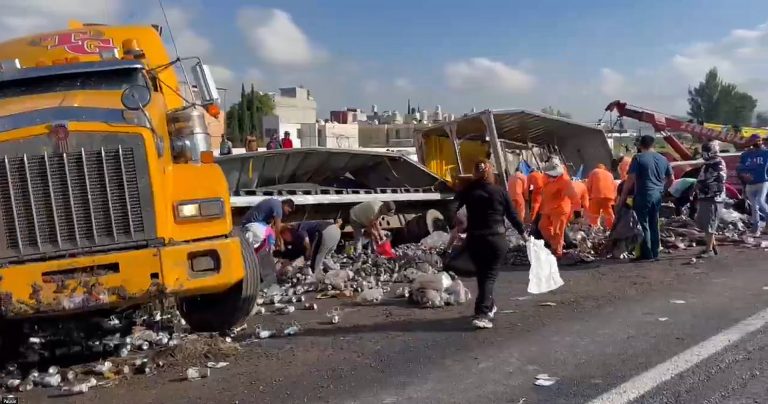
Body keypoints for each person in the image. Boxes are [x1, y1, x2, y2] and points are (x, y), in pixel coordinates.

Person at [455, 159, 527, 329]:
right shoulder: (500, 191)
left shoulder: (468, 191)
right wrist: (523, 234)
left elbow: (453, 208)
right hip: (496, 239)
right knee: (489, 276)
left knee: (483, 275)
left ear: (475, 173)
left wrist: (458, 226)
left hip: (475, 239)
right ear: (490, 172)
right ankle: (482, 313)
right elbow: (512, 215)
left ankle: (488, 306)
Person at [618, 135, 674, 261]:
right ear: (653, 145)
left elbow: (630, 179)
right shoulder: (663, 159)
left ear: (640, 146)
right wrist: (662, 191)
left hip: (643, 194)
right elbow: (671, 179)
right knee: (654, 223)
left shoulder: (638, 158)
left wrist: (623, 197)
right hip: (657, 196)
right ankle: (655, 252)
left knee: (643, 224)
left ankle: (646, 254)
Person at [538, 157, 578, 257]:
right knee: (542, 226)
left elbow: (573, 196)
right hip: (547, 208)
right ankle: (556, 244)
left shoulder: (565, 180)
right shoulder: (545, 176)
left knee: (557, 231)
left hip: (560, 209)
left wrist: (576, 212)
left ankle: (557, 252)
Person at [694, 141, 726, 258]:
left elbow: (712, 181)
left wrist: (700, 186)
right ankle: (712, 246)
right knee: (704, 222)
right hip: (705, 196)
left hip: (713, 197)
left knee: (709, 224)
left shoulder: (717, 164)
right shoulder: (708, 163)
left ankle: (709, 250)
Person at [736, 134, 768, 236]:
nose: (757, 143)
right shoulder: (745, 155)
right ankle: (755, 229)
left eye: (759, 141)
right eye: (754, 141)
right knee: (754, 206)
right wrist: (744, 175)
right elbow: (739, 168)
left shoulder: (766, 153)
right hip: (750, 183)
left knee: (760, 201)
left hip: (762, 181)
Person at [586, 163, 617, 229]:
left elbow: (588, 186)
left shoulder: (594, 172)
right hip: (609, 197)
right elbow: (614, 187)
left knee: (594, 216)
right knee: (609, 216)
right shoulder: (610, 175)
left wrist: (588, 197)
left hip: (596, 196)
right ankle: (613, 229)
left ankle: (594, 230)